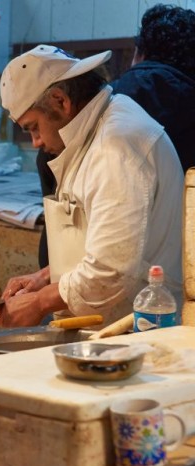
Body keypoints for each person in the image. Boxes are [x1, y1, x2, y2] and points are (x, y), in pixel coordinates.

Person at [0, 45, 184, 327]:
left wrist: (39, 302)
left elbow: (110, 270)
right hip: (111, 325)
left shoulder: (115, 147)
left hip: (142, 328)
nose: (35, 142)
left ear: (60, 100)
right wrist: (44, 277)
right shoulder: (99, 125)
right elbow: (101, 239)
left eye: (33, 127)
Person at [36, 4, 195, 268]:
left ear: (138, 54)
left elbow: (46, 161)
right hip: (172, 281)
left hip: (71, 273)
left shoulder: (103, 103)